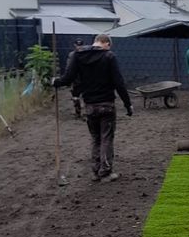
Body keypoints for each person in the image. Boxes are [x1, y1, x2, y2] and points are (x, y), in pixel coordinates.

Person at [53, 33, 132, 182]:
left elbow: (68, 79)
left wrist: (55, 82)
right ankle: (106, 172)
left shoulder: (77, 55)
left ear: (95, 42)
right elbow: (119, 83)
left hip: (89, 105)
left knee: (95, 138)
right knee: (106, 138)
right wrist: (128, 104)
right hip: (107, 104)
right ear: (106, 43)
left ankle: (96, 171)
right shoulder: (109, 56)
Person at [66, 38, 86, 117]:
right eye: (78, 45)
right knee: (75, 96)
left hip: (84, 79)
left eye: (80, 45)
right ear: (75, 45)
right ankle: (78, 112)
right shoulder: (72, 55)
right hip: (77, 79)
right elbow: (68, 68)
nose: (79, 47)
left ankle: (86, 112)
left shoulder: (74, 55)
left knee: (86, 96)